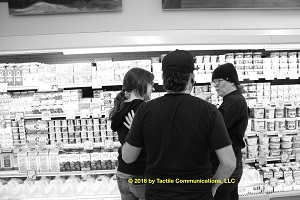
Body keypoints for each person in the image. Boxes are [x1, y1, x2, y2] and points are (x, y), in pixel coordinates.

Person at [121, 49, 236, 200]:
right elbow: (228, 164)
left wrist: (131, 133)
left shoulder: (145, 110)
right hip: (198, 195)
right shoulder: (209, 111)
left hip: (158, 195)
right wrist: (213, 185)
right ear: (192, 78)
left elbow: (128, 158)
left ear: (163, 79)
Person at [109, 67, 155, 200]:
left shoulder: (120, 108)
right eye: (151, 84)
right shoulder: (144, 108)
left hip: (122, 174)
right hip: (140, 174)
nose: (153, 88)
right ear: (141, 83)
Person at [207, 63, 249, 200]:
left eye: (219, 81)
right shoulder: (232, 100)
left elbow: (214, 128)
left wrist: (201, 106)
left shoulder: (233, 102)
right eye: (214, 82)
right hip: (232, 162)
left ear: (231, 81)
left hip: (227, 164)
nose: (215, 85)